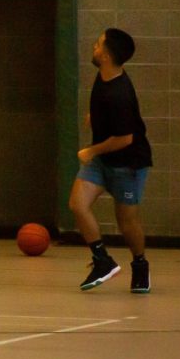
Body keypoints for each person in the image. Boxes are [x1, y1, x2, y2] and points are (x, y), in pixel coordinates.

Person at [69, 28, 153, 293]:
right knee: (77, 204)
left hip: (128, 164)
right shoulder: (104, 74)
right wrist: (95, 116)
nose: (94, 46)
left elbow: (125, 138)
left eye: (98, 44)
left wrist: (91, 151)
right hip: (104, 159)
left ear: (105, 55)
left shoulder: (120, 94)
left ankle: (140, 266)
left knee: (127, 223)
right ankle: (102, 260)